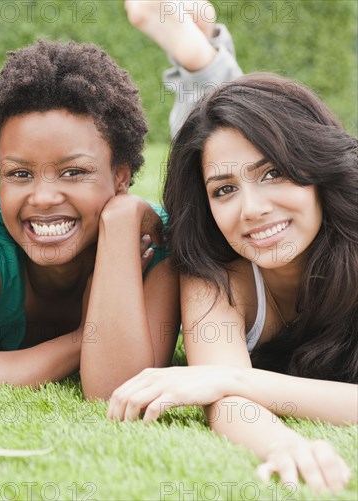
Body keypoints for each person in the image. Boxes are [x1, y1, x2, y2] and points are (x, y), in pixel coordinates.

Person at [110, 1, 357, 492]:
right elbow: (223, 397)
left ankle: (200, 62)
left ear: (316, 171)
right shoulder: (215, 263)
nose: (251, 209)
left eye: (276, 173)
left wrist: (234, 380)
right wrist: (283, 444)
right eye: (223, 191)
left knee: (239, 128)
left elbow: (222, 383)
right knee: (217, 137)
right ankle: (199, 62)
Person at [0, 39, 180, 395]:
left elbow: (116, 388)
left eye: (73, 172)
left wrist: (121, 221)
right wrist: (84, 338)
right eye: (20, 174)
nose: (42, 198)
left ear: (121, 177)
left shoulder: (156, 241)